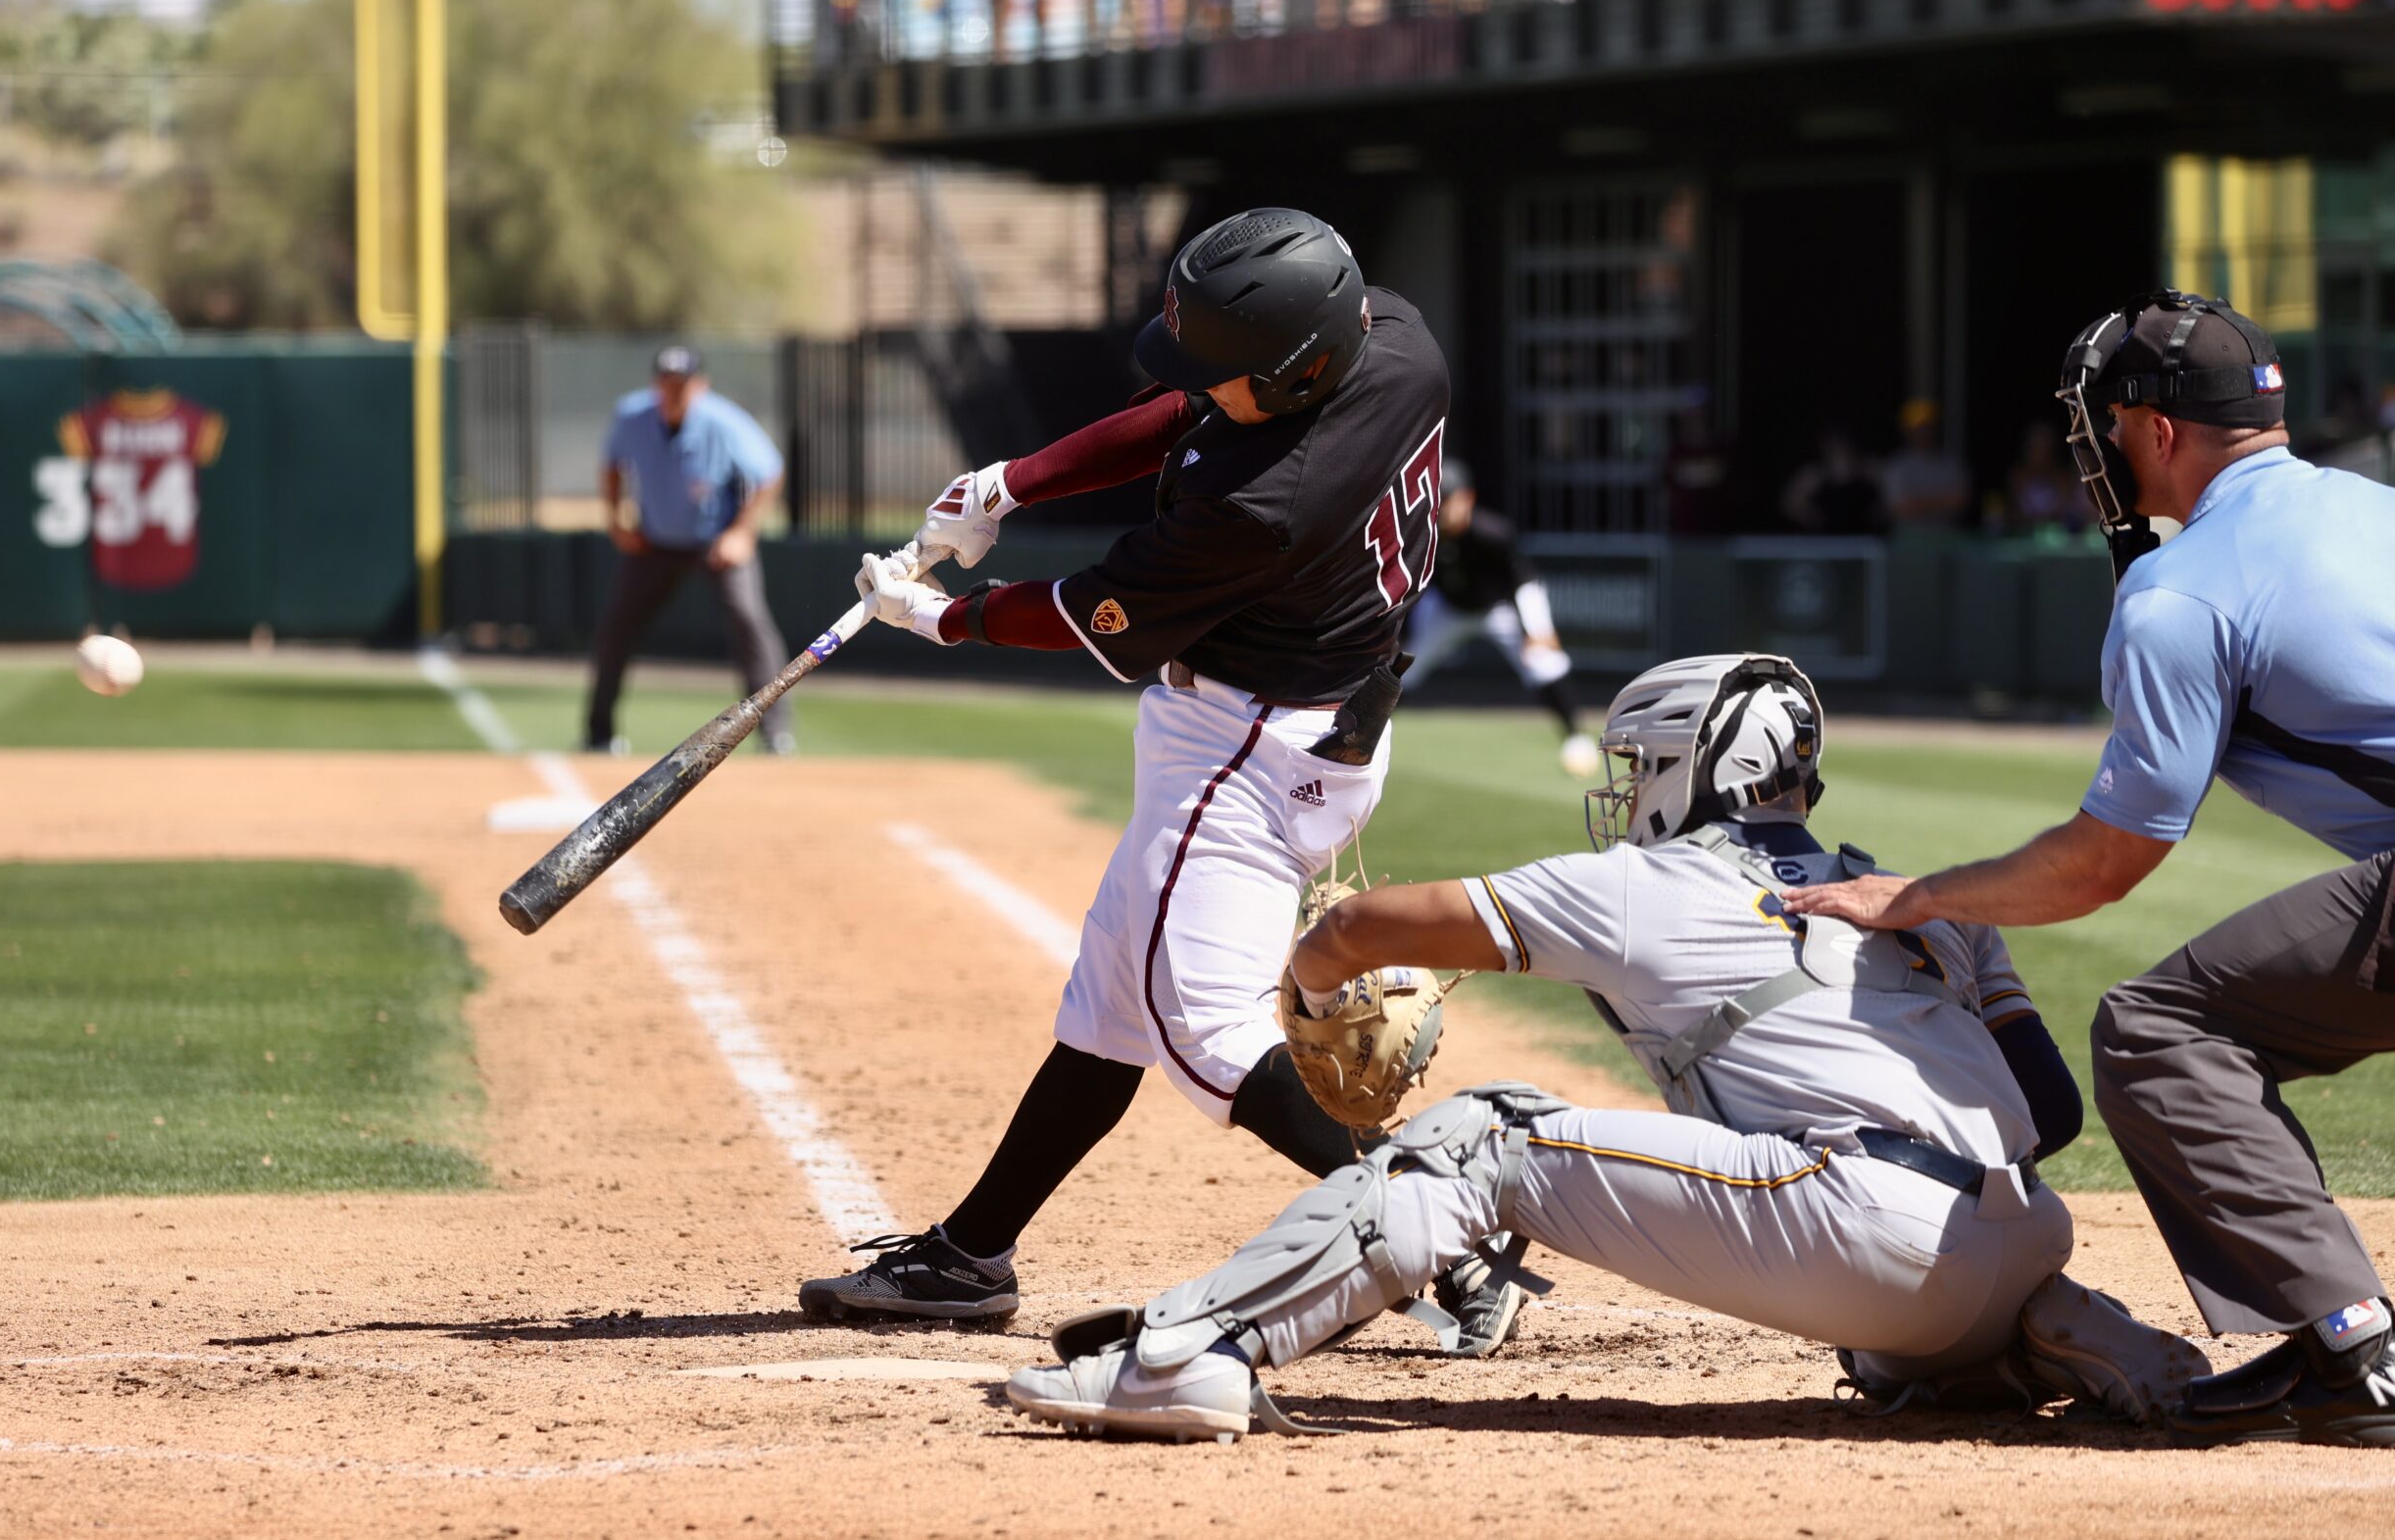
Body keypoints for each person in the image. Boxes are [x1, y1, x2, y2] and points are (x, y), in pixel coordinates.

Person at [1003, 654, 2204, 1442]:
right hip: (2015, 1232)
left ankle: (1192, 1355)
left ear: (1703, 766)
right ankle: (2030, 1335)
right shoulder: (1914, 893)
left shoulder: (1649, 883)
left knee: (1482, 1133)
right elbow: (2049, 1116)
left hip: (1866, 1238)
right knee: (1886, 1310)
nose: (1631, 792)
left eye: (1645, 766)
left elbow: (1363, 924)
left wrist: (1309, 988)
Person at [798, 208, 1522, 1355]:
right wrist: (1010, 483)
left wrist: (944, 617)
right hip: (1311, 720)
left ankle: (1449, 1240)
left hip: (1245, 749)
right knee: (1108, 1006)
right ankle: (970, 1254)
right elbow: (1190, 411)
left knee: (1198, 1032)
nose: (1200, 383)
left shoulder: (1260, 510)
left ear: (1294, 371)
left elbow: (1094, 612)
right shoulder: (1394, 339)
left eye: (1227, 369)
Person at [1784, 289, 2395, 1447]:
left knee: (2161, 1031)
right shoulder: (2369, 505)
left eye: (2107, 425)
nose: (2099, 449)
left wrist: (1914, 898)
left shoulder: (2182, 588)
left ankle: (2348, 1345)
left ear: (2156, 432)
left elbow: (2106, 863)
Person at [585, 346, 793, 757]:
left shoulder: (723, 421)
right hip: (655, 542)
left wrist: (741, 533)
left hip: (715, 542)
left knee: (750, 619)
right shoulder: (632, 415)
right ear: (655, 384)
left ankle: (776, 733)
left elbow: (769, 474)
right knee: (616, 627)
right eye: (667, 383)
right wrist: (616, 519)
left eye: (682, 384)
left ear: (700, 386)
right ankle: (598, 734)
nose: (674, 391)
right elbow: (612, 465)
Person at [1398, 459, 1599, 775]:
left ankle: (1575, 735)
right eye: (1439, 500)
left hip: (1496, 610)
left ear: (1468, 498)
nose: (1444, 508)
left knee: (1544, 661)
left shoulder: (1492, 533)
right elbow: (1412, 584)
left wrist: (1538, 629)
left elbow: (1524, 580)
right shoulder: (1425, 534)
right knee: (1402, 669)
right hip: (1446, 609)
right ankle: (1369, 737)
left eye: (1449, 499)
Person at [1882, 398, 1970, 529]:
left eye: (1928, 427)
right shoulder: (1898, 466)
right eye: (1919, 428)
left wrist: (1920, 502)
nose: (1925, 432)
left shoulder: (1950, 463)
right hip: (1910, 537)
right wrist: (1943, 501)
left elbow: (1961, 501)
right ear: (1908, 431)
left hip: (1947, 535)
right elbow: (1901, 508)